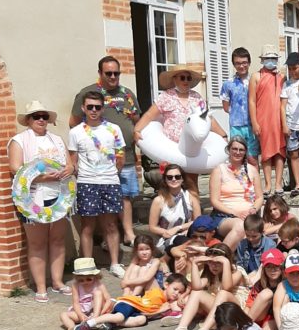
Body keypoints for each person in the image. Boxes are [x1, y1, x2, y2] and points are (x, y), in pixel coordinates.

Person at [70, 55, 141, 245]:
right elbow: (74, 122)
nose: (113, 77)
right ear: (100, 73)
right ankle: (106, 238)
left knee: (125, 196)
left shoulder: (127, 94)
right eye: (108, 73)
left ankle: (128, 233)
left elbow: (137, 121)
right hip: (98, 161)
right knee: (101, 200)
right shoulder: (88, 94)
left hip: (125, 155)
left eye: (116, 73)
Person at [8, 100, 74, 301]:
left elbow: (69, 164)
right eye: (36, 116)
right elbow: (16, 168)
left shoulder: (57, 140)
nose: (41, 120)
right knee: (37, 242)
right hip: (33, 196)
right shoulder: (19, 141)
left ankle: (57, 281)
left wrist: (69, 169)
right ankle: (40, 286)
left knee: (58, 239)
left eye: (44, 116)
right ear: (28, 120)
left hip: (58, 194)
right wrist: (42, 177)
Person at [134, 64, 225, 192]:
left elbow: (208, 118)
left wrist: (223, 135)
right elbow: (150, 114)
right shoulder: (166, 96)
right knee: (172, 185)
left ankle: (194, 204)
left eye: (188, 78)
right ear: (174, 79)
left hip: (190, 149)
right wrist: (137, 130)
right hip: (171, 148)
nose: (186, 81)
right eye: (182, 78)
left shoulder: (196, 98)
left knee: (192, 184)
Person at [68, 90, 125, 278]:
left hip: (110, 181)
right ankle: (87, 265)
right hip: (87, 182)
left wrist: (111, 174)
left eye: (97, 107)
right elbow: (73, 161)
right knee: (87, 226)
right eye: (90, 107)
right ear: (83, 108)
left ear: (102, 108)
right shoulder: (75, 132)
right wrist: (84, 176)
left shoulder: (114, 129)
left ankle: (115, 264)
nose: (93, 110)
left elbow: (120, 157)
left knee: (111, 225)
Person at [162, 244, 240, 330]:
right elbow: (196, 287)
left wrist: (225, 263)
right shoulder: (210, 275)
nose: (214, 266)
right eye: (210, 262)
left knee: (223, 293)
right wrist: (194, 264)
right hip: (219, 309)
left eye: (218, 262)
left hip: (236, 311)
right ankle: (181, 329)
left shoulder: (237, 272)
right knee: (196, 292)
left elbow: (226, 288)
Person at [73, 271, 187, 330]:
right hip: (130, 303)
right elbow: (146, 310)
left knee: (141, 320)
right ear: (166, 285)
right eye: (175, 289)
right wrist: (160, 311)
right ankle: (90, 323)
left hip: (136, 310)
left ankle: (111, 323)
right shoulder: (157, 294)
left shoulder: (165, 302)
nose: (177, 293)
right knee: (120, 317)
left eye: (180, 292)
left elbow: (145, 315)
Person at [208, 136, 264, 250]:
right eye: (234, 149)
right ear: (229, 150)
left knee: (249, 228)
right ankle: (218, 255)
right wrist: (235, 213)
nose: (237, 152)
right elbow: (214, 201)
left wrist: (254, 209)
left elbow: (259, 197)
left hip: (249, 216)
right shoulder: (219, 170)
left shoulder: (252, 170)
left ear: (245, 152)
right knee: (240, 226)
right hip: (225, 216)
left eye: (241, 150)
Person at [248, 45, 285, 196]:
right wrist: (254, 122)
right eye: (268, 58)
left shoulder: (282, 76)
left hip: (279, 119)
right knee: (266, 152)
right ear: (262, 59)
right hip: (263, 118)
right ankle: (268, 183)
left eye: (273, 58)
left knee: (280, 151)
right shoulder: (256, 76)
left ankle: (278, 183)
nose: (271, 61)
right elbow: (252, 101)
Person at [148, 164, 201, 255]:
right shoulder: (158, 200)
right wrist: (167, 232)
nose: (174, 179)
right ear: (165, 180)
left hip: (188, 234)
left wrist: (178, 228)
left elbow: (198, 221)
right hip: (167, 238)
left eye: (177, 176)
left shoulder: (191, 197)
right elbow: (152, 227)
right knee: (185, 244)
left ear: (182, 179)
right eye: (169, 177)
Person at [221, 47, 260, 164]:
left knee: (252, 159)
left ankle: (254, 176)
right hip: (236, 127)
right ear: (233, 64)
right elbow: (226, 106)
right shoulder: (228, 84)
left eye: (244, 62)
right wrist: (237, 113)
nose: (241, 66)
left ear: (249, 63)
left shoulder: (256, 80)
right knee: (237, 158)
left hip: (252, 125)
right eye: (238, 63)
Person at [279, 52, 299, 196]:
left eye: (295, 68)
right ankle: (297, 183)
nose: (292, 71)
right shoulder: (287, 84)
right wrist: (284, 125)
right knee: (294, 155)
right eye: (290, 68)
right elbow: (282, 106)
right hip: (291, 125)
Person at [59, 257, 113, 330]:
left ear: (95, 276)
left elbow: (108, 300)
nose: (85, 282)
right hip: (83, 311)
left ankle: (95, 320)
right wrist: (80, 315)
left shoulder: (98, 283)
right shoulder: (75, 285)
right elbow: (75, 303)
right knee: (63, 315)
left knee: (98, 292)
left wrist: (101, 313)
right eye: (81, 280)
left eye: (89, 279)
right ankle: (74, 329)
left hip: (96, 311)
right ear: (77, 278)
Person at [234, 213, 275, 282]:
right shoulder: (242, 244)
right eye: (247, 235)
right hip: (246, 275)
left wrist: (255, 275)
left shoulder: (270, 245)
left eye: (254, 236)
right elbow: (240, 264)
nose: (250, 239)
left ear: (262, 233)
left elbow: (268, 267)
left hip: (262, 276)